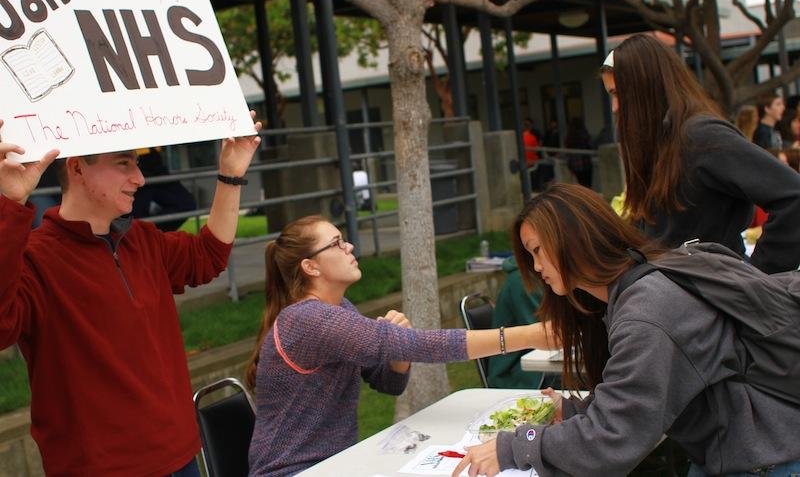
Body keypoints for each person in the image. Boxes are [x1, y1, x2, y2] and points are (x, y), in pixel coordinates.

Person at [453, 183, 800, 477]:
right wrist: (577, 412)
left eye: (538, 251)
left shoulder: (646, 312)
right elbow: (632, 401)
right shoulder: (645, 281)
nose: (537, 267)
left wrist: (515, 446)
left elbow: (615, 438)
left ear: (573, 238)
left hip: (767, 462)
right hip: (758, 449)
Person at [0, 117, 262, 476]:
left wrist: (231, 172)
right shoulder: (35, 258)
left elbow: (209, 255)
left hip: (180, 453)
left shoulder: (143, 239)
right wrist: (11, 204)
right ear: (77, 168)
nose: (140, 178)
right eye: (124, 163)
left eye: (136, 163)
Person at [245, 216, 556, 477]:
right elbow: (424, 345)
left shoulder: (340, 310)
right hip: (294, 471)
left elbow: (389, 383)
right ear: (310, 267)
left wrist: (398, 350)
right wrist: (527, 336)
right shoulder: (306, 319)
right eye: (336, 243)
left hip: (337, 464)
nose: (349, 246)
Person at [599, 34, 800, 274]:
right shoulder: (664, 141)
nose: (615, 107)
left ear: (644, 87)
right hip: (678, 299)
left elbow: (793, 196)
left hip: (717, 298)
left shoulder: (701, 136)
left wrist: (760, 278)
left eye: (616, 93)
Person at [487, 257, 549, 389]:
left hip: (536, 363)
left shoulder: (538, 275)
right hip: (515, 375)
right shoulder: (522, 281)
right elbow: (548, 335)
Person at [133, 146, 197, 232]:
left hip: (153, 156)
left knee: (186, 204)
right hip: (133, 156)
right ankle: (146, 236)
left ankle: (151, 236)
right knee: (137, 214)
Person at [564, 117, 593, 188]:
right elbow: (590, 145)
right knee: (587, 184)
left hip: (574, 164)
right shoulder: (584, 134)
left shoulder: (569, 136)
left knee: (580, 184)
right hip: (585, 162)